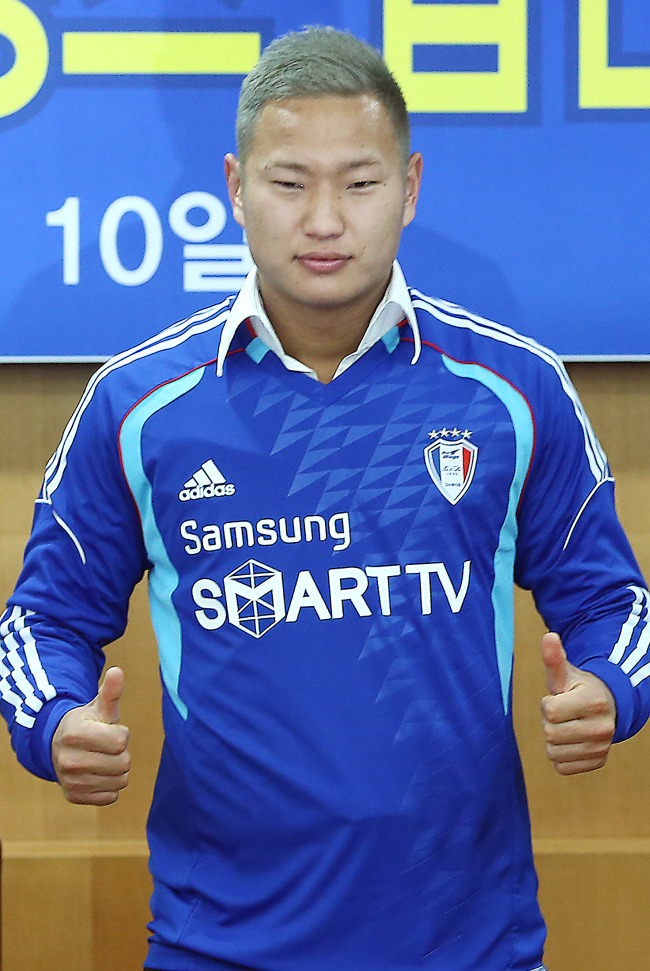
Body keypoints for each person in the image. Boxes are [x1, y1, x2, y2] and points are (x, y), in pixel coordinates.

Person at [1, 26, 649, 971]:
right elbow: (41, 617)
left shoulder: (514, 391)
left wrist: (611, 685)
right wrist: (55, 718)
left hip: (466, 946)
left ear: (411, 186)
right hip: (218, 943)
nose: (324, 220)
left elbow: (616, 603)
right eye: (289, 182)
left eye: (359, 182)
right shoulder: (140, 407)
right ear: (234, 186)